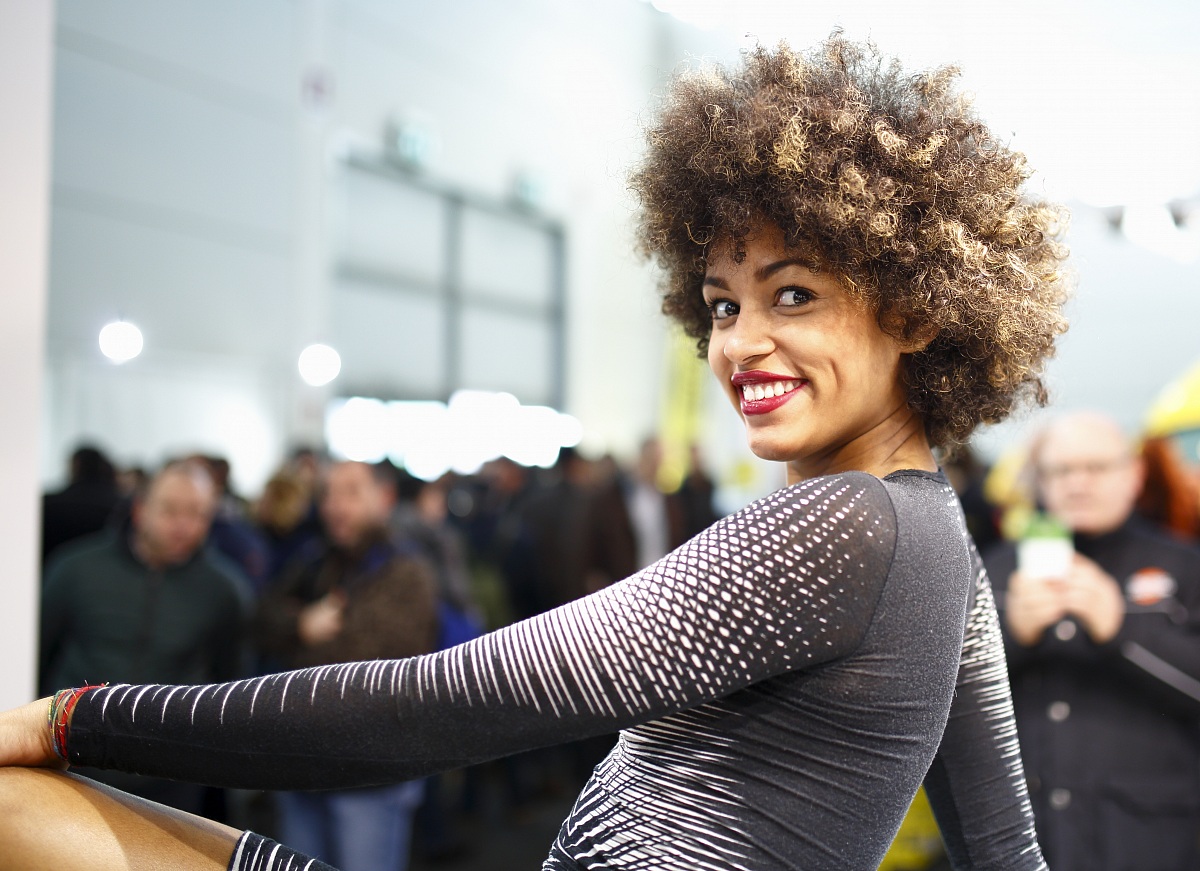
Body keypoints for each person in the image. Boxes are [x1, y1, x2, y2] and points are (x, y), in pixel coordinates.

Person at [0, 35, 1067, 870]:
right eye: (721, 303)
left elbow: (437, 708)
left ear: (920, 310)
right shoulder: (942, 543)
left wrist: (71, 718)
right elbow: (1000, 842)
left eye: (794, 293)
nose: (739, 343)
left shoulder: (848, 523)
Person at [983, 411, 1200, 870]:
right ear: (1039, 481)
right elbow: (934, 697)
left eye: (1097, 468)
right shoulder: (992, 570)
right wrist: (1011, 636)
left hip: (1150, 842)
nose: (1078, 483)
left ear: (1134, 475)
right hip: (1021, 841)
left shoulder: (1184, 566)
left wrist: (1121, 629)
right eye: (1060, 470)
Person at [255, 460, 439, 871]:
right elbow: (259, 617)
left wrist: (300, 639)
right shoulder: (315, 560)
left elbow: (368, 662)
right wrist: (302, 623)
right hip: (301, 761)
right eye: (329, 493)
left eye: (351, 493)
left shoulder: (408, 572)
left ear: (384, 498)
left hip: (371, 771)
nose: (336, 505)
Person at [38, 459, 250, 814]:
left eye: (197, 513)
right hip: (74, 761)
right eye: (169, 510)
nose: (183, 526)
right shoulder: (75, 569)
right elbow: (40, 653)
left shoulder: (225, 591)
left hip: (171, 775)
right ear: (140, 510)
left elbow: (228, 682)